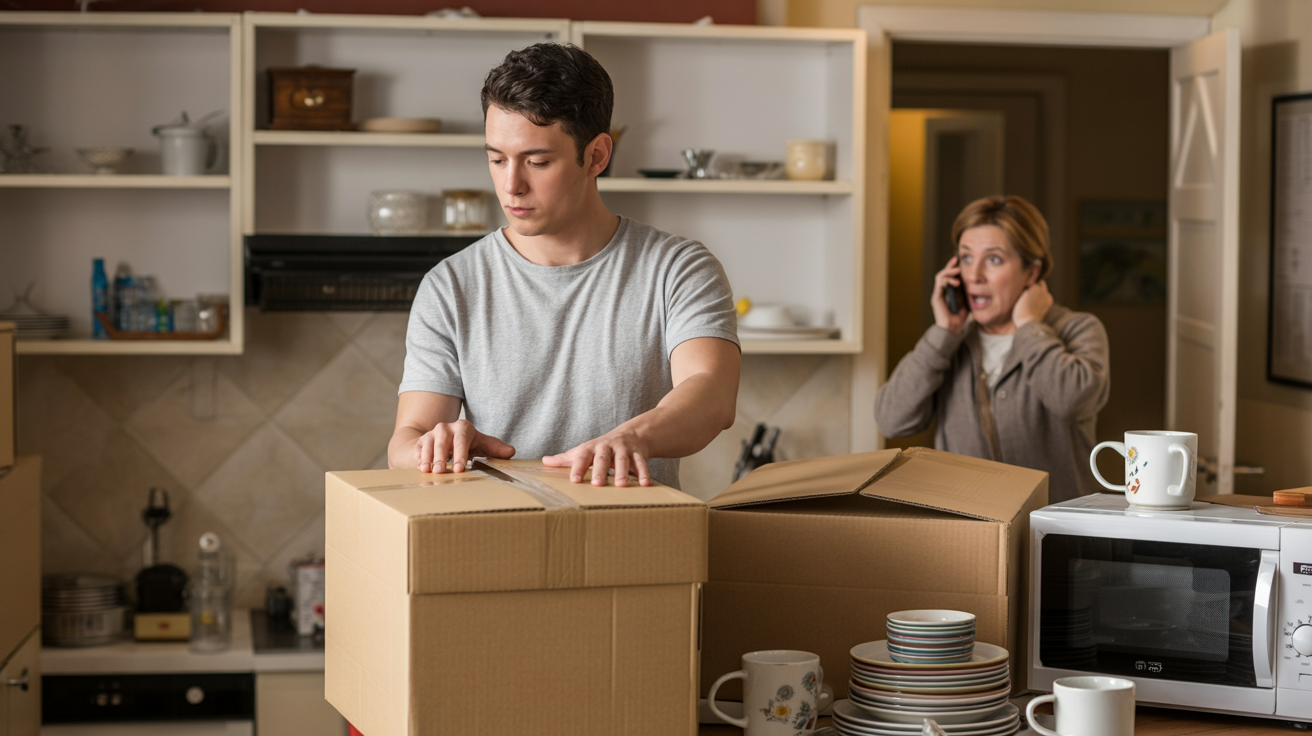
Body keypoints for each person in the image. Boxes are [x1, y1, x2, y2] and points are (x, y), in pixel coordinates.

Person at [387, 43, 741, 488]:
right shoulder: (450, 285)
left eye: (537, 162)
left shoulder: (678, 269)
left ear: (596, 157)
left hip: (637, 544)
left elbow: (712, 393)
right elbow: (406, 439)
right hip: (488, 543)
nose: (511, 185)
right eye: (496, 159)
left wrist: (631, 438)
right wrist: (433, 445)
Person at [874, 195, 1109, 502]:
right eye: (967, 258)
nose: (974, 276)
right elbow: (892, 419)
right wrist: (944, 332)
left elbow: (1071, 400)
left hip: (1058, 532)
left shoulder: (1078, 329)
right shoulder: (950, 343)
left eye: (994, 259)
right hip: (972, 532)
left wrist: (1028, 326)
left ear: (1032, 272)